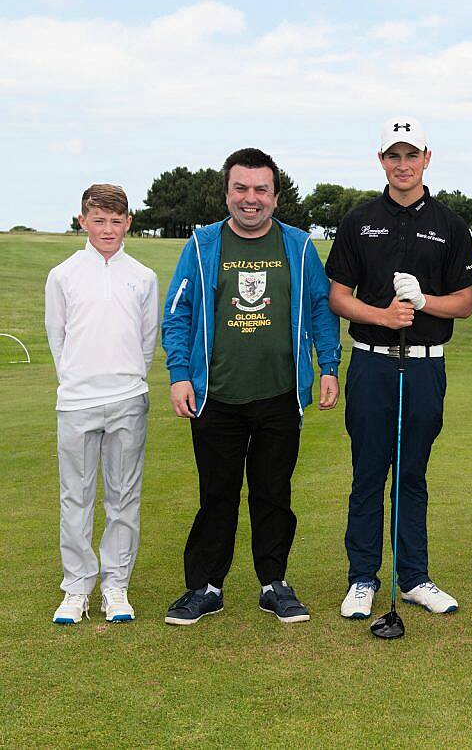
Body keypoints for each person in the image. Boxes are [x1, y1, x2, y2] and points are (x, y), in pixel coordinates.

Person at [161, 147, 340, 625]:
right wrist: (179, 374)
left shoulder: (299, 246)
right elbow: (177, 313)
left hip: (280, 396)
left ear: (276, 196)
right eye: (240, 188)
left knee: (272, 494)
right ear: (227, 192)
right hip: (215, 397)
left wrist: (328, 366)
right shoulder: (201, 245)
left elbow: (321, 309)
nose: (250, 198)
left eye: (261, 189)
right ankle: (204, 587)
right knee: (216, 496)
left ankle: (273, 584)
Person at [327, 117, 472, 619]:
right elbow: (338, 297)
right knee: (368, 473)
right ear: (381, 161)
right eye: (394, 155)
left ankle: (414, 577)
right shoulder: (358, 221)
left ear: (427, 159)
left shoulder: (451, 225)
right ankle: (363, 579)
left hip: (424, 368)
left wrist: (424, 300)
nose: (403, 164)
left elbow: (463, 304)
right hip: (372, 365)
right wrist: (385, 315)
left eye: (411, 155)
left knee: (412, 473)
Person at [45, 184, 159, 624]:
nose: (107, 229)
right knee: (75, 497)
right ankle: (76, 587)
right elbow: (58, 338)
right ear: (82, 221)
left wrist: (126, 378)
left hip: (128, 398)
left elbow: (145, 341)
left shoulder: (142, 276)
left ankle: (116, 585)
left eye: (116, 221)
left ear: (129, 222)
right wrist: (78, 381)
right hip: (76, 403)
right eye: (98, 221)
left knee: (123, 498)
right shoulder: (63, 275)